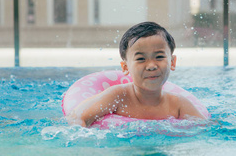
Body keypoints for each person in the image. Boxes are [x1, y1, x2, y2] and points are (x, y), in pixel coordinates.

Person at [68, 21, 207, 127]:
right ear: (125, 67)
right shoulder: (118, 97)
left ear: (172, 62)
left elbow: (207, 128)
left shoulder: (178, 104)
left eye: (159, 57)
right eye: (141, 59)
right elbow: (77, 117)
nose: (152, 66)